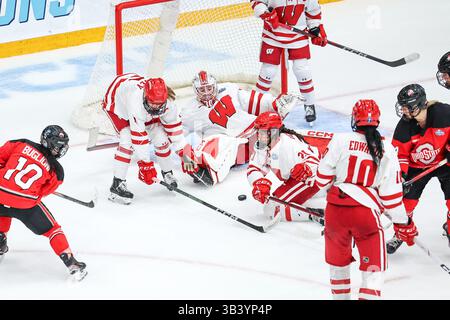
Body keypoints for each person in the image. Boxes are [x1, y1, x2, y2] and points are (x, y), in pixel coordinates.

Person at [315, 99, 415, 300]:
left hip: (335, 212)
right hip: (366, 215)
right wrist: (404, 223)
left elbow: (321, 180)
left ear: (354, 119)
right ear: (377, 121)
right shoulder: (386, 148)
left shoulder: (340, 140)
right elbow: (392, 197)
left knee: (338, 267)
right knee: (373, 271)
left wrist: (340, 179)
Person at [179, 70, 303, 186]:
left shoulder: (228, 90)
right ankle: (204, 169)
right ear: (195, 90)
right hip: (234, 148)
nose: (206, 92)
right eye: (202, 89)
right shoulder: (189, 111)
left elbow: (253, 101)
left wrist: (274, 103)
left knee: (269, 122)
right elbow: (176, 134)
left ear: (215, 86)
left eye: (209, 88)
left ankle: (300, 153)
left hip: (255, 134)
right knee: (215, 141)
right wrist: (185, 154)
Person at [0, 126, 87, 281]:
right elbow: (43, 193)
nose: (60, 149)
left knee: (3, 207)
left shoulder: (20, 143)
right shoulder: (57, 171)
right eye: (58, 145)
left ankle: (0, 242)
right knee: (53, 229)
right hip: (25, 203)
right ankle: (71, 263)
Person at [102, 73, 189, 204]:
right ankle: (117, 184)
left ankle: (167, 173)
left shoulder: (168, 103)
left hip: (137, 99)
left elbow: (174, 129)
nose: (156, 107)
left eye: (159, 104)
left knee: (160, 137)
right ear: (145, 96)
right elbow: (139, 137)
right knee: (127, 140)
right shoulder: (135, 102)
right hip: (118, 102)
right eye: (153, 103)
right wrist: (145, 164)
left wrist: (185, 154)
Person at [387, 84, 450, 253]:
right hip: (416, 168)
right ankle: (400, 234)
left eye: (408, 107)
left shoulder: (444, 113)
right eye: (403, 107)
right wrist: (402, 176)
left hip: (445, 162)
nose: (404, 111)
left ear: (421, 104)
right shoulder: (404, 127)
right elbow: (399, 156)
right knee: (405, 204)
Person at [251, 0, 328, 125]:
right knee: (268, 71)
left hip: (297, 35)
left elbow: (313, 11)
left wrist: (315, 28)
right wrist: (266, 13)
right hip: (272, 34)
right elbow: (257, 2)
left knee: (302, 70)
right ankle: (254, 105)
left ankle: (309, 105)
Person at [247, 111, 324, 223]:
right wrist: (258, 182)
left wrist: (306, 168)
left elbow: (314, 159)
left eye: (262, 132)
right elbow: (254, 167)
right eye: (258, 131)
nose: (259, 135)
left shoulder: (288, 144)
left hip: (314, 177)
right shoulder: (266, 144)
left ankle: (316, 215)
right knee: (273, 205)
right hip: (301, 179)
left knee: (271, 208)